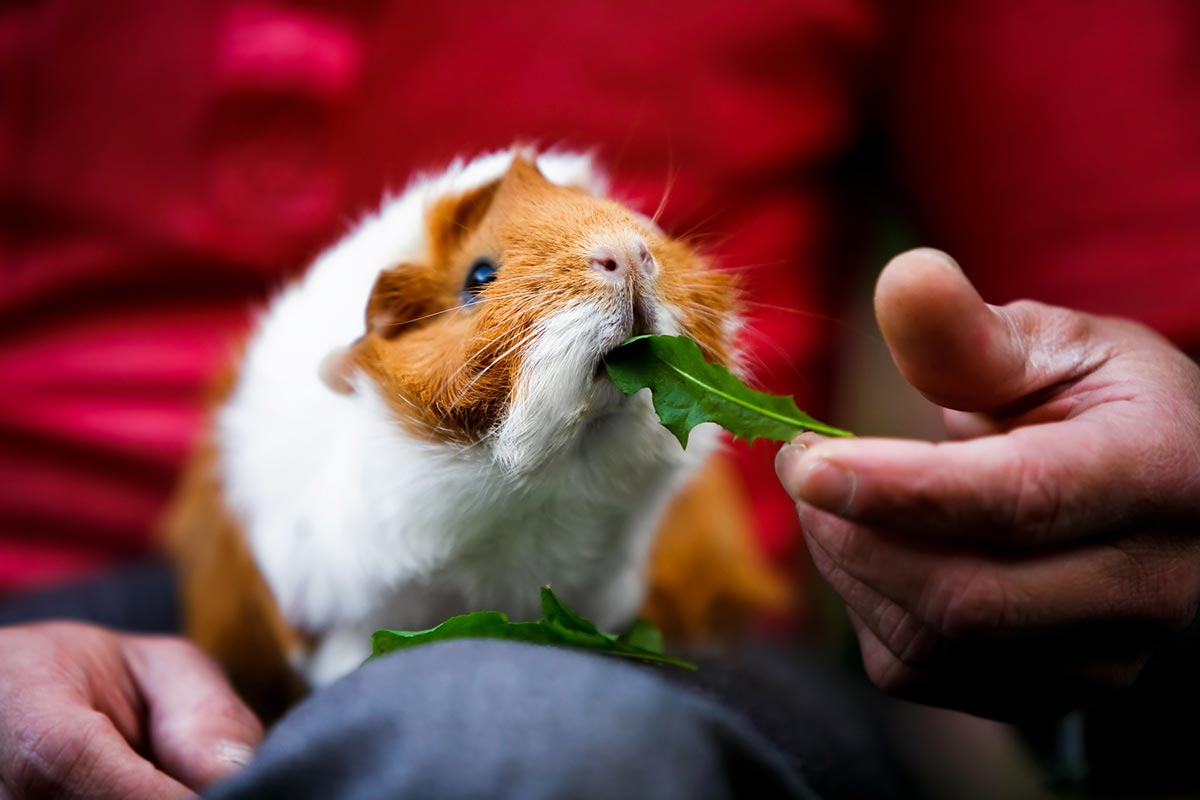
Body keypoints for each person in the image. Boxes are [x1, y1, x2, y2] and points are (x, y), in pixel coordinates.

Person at [2, 1, 1198, 797]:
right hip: (37, 613)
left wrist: (1128, 502)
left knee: (521, 743)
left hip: (679, 649)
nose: (624, 252)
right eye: (482, 281)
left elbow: (1146, 347)